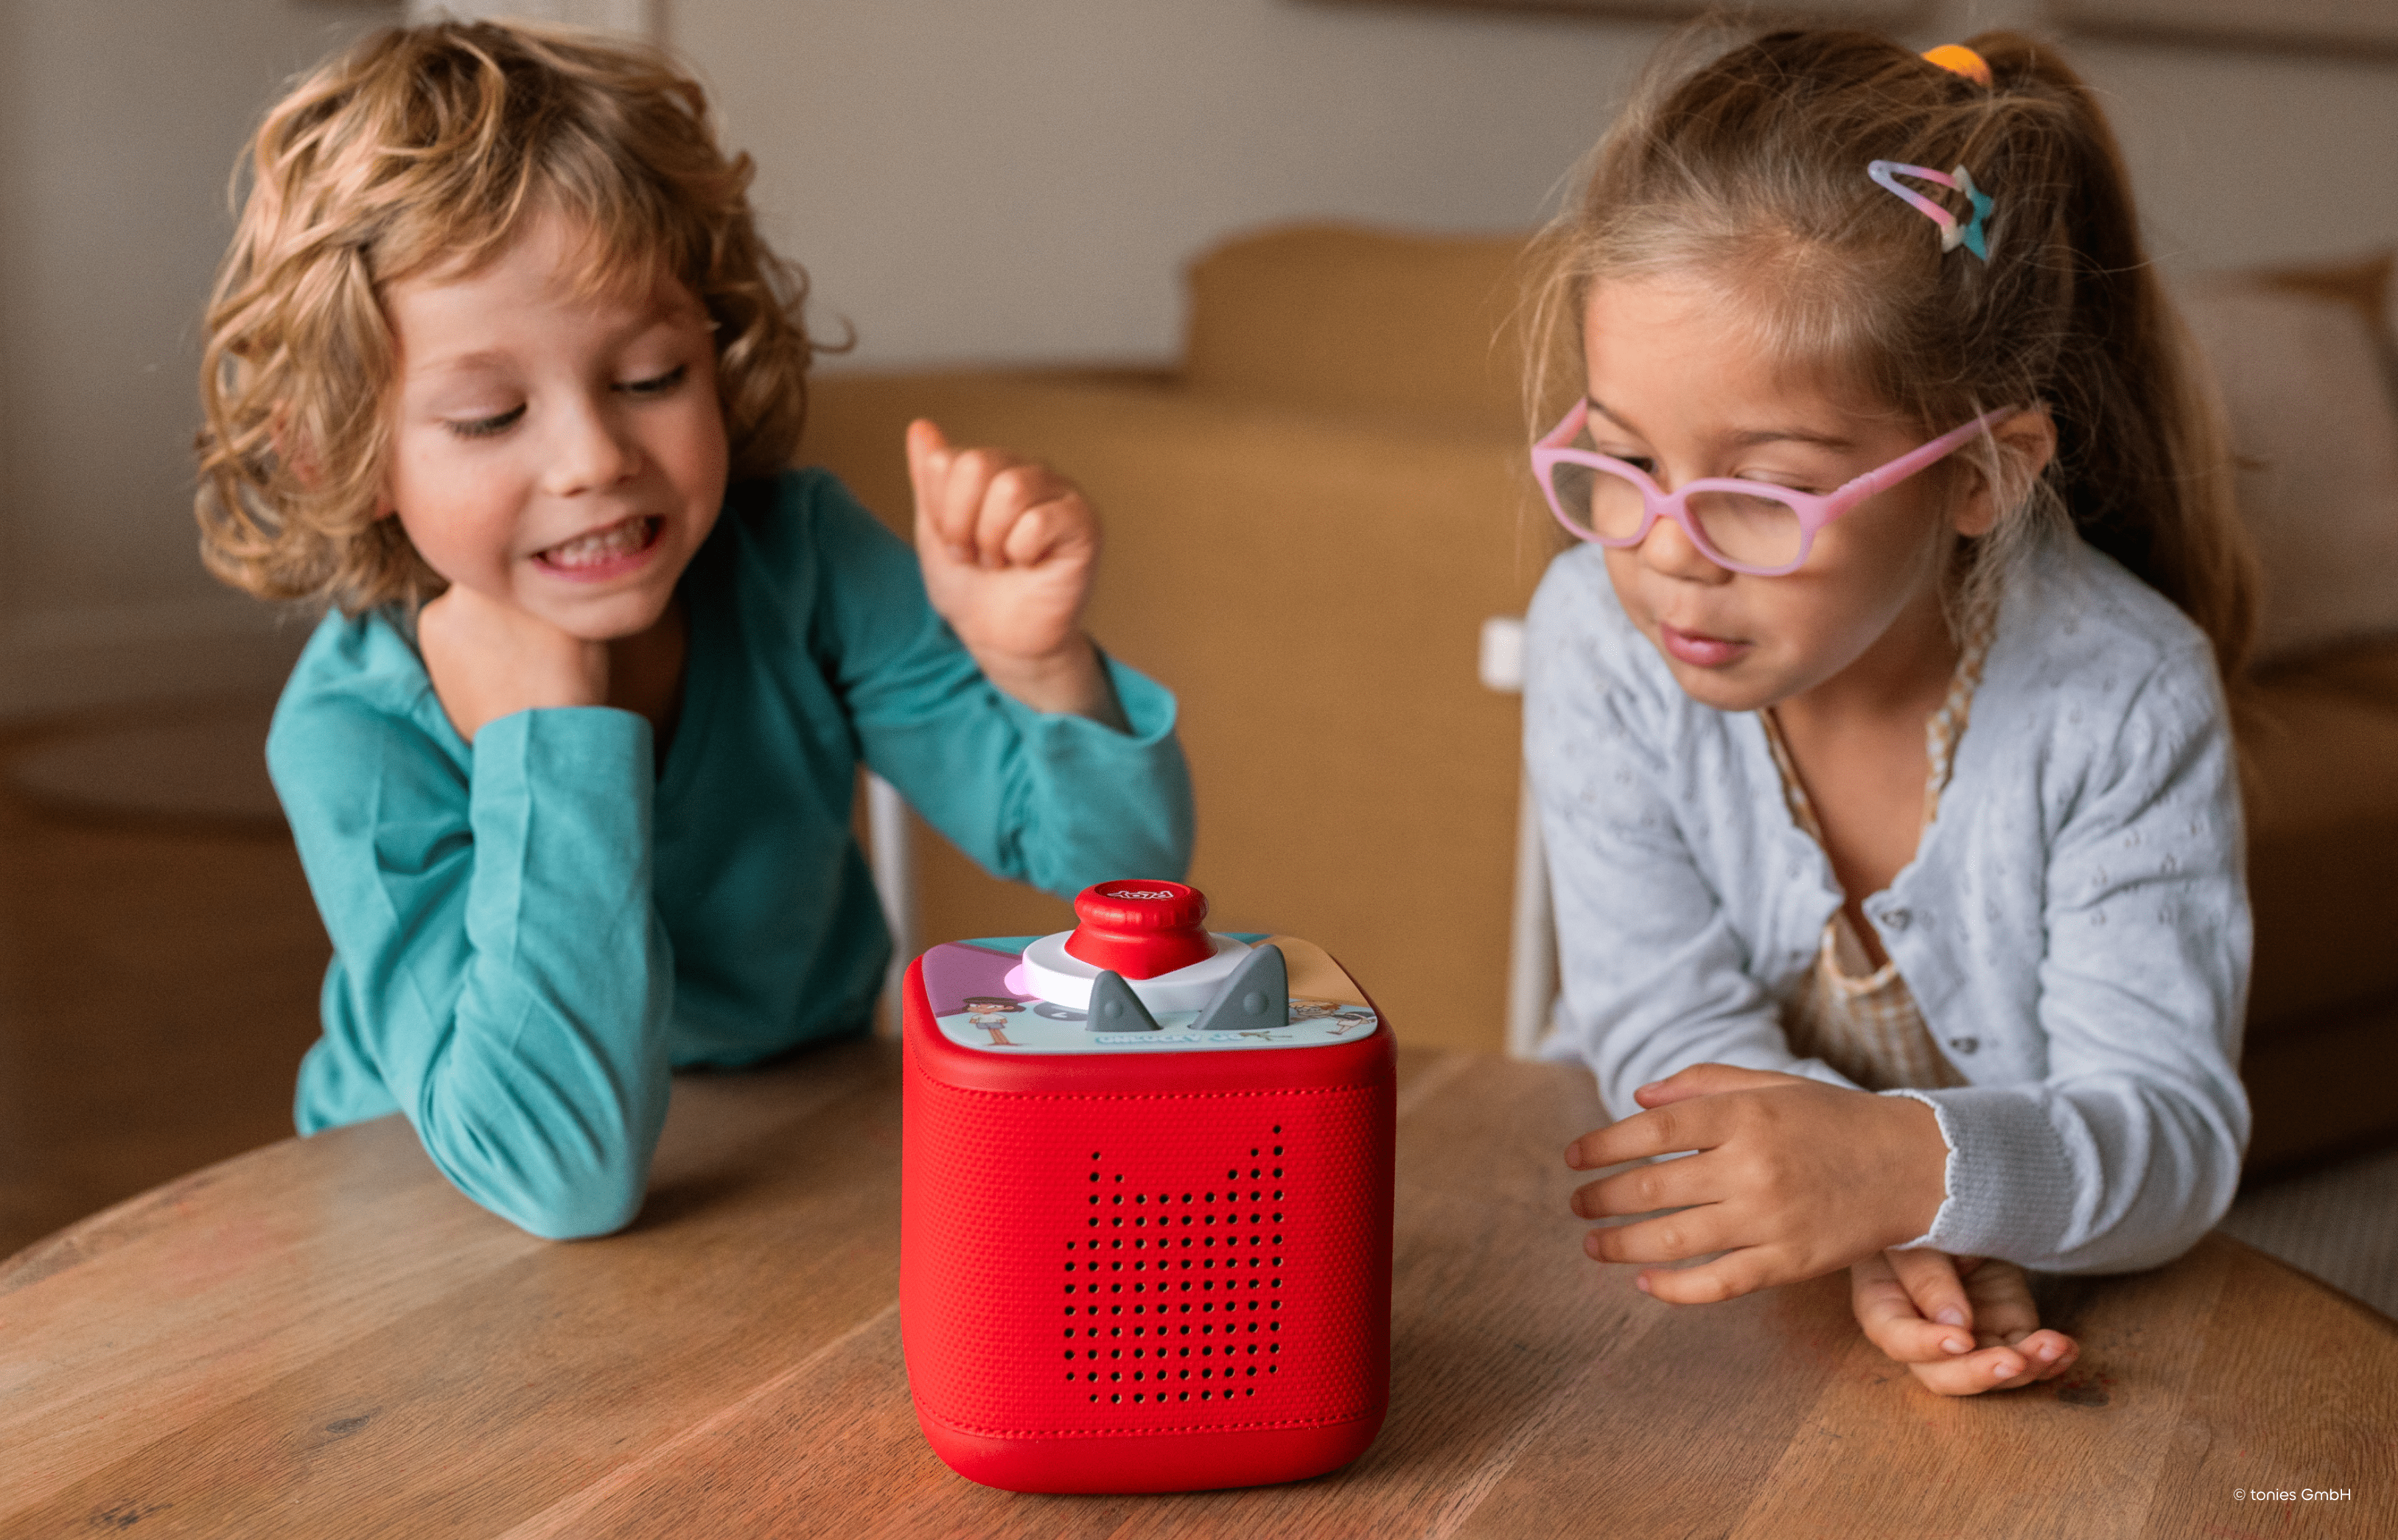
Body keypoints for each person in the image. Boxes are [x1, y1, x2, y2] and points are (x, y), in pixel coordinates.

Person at [193, 21, 1193, 1239]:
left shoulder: (801, 556)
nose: (595, 461)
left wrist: (1039, 665)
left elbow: (1121, 873)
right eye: (491, 414)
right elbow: (560, 1176)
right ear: (342, 454)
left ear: (717, 353)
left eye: (650, 379)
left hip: (790, 1155)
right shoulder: (352, 730)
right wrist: (557, 730)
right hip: (435, 1201)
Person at [1521, 29, 2255, 1396]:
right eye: (1621, 459)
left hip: (2053, 1309)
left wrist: (1900, 1174)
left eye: (1767, 488)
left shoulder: (2126, 695)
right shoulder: (1597, 637)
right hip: (1712, 1299)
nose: (1665, 548)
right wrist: (1862, 1210)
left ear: (1980, 472)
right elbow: (1654, 1015)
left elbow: (2168, 1137)